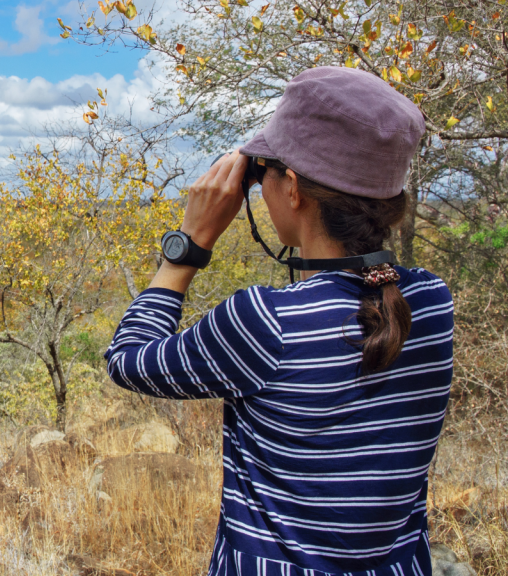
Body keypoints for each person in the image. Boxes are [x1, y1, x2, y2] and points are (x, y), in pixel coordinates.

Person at [104, 67, 454, 576]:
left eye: (262, 170)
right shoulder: (432, 301)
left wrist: (188, 247)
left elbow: (127, 360)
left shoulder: (267, 323)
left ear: (292, 189)